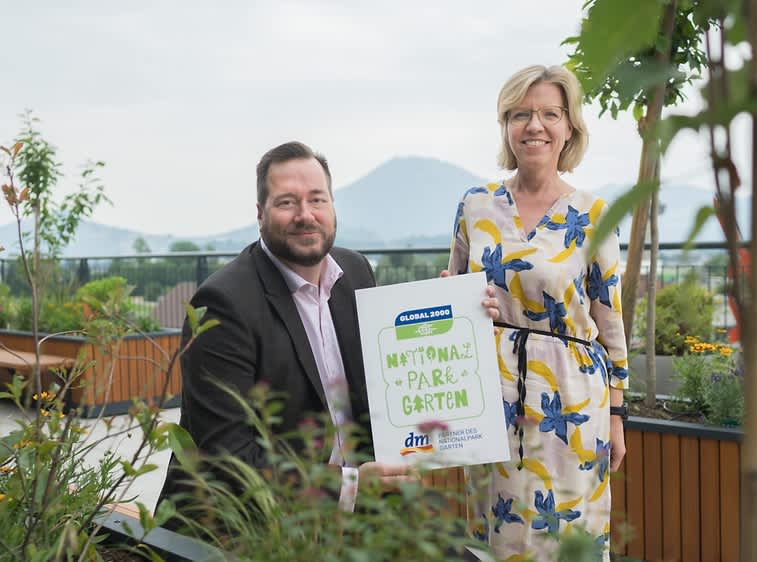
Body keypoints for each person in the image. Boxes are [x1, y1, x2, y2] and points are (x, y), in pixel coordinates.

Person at [158, 141, 499, 523]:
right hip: (257, 524)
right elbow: (227, 459)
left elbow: (388, 379)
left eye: (317, 199)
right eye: (287, 202)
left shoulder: (354, 272)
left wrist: (462, 315)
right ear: (260, 213)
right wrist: (350, 488)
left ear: (333, 205)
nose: (306, 215)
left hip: (360, 509)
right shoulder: (222, 303)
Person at [447, 65, 628, 561]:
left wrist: (615, 416)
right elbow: (454, 295)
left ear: (569, 127)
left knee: (569, 534)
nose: (535, 125)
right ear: (506, 124)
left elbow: (610, 322)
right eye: (522, 113)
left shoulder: (594, 215)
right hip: (491, 396)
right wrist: (458, 301)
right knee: (496, 531)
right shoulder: (474, 205)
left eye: (550, 113)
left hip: (570, 403)